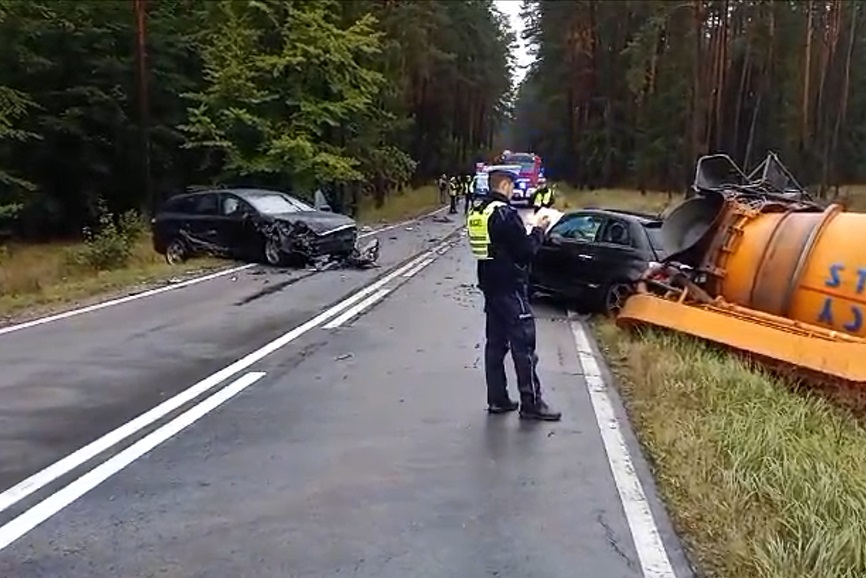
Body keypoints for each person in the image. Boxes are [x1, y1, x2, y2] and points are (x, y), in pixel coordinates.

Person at [466, 166, 562, 421]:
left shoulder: (478, 211)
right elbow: (525, 252)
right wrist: (539, 229)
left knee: (495, 345)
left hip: (490, 286)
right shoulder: (506, 215)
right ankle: (531, 403)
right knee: (524, 345)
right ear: (506, 185)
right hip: (510, 287)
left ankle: (497, 399)